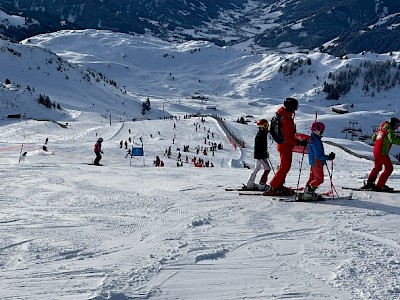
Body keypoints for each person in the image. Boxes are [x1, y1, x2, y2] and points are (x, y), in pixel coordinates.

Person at [265, 97, 308, 196]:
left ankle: (278, 185)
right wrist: (299, 142)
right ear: (291, 107)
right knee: (285, 167)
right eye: (295, 107)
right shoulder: (286, 119)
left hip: (283, 144)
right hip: (285, 145)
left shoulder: (281, 115)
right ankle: (274, 187)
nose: (295, 110)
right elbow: (288, 137)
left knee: (284, 166)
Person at [362, 117, 400, 191]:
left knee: (377, 167)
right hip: (382, 153)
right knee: (389, 168)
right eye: (397, 124)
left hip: (376, 152)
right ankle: (380, 185)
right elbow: (392, 140)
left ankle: (369, 183)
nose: (397, 126)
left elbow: (373, 138)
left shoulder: (381, 129)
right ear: (393, 124)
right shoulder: (389, 130)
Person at [303, 122, 335, 200]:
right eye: (321, 130)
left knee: (313, 178)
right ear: (317, 130)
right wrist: (328, 157)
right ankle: (309, 192)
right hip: (317, 162)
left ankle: (308, 191)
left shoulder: (313, 139)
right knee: (319, 179)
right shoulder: (316, 141)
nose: (322, 132)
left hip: (313, 162)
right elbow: (319, 155)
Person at [245, 119, 271, 190]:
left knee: (257, 168)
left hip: (259, 155)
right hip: (260, 155)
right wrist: (264, 153)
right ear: (261, 127)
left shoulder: (262, 133)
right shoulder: (261, 135)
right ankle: (261, 185)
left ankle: (249, 184)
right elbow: (259, 147)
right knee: (267, 168)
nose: (267, 127)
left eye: (267, 125)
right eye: (265, 125)